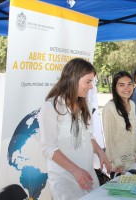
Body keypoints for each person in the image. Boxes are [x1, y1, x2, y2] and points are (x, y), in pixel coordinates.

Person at [39, 58, 112, 200]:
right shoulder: (51, 107)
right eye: (88, 81)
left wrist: (100, 153)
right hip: (64, 179)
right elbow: (48, 148)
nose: (91, 87)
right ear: (73, 79)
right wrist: (76, 171)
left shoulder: (86, 105)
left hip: (87, 175)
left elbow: (88, 136)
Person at [102, 71, 136, 175]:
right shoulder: (109, 108)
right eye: (121, 85)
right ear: (115, 88)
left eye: (129, 84)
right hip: (119, 168)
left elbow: (133, 132)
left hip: (134, 163)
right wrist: (118, 164)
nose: (127, 88)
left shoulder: (132, 104)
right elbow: (109, 142)